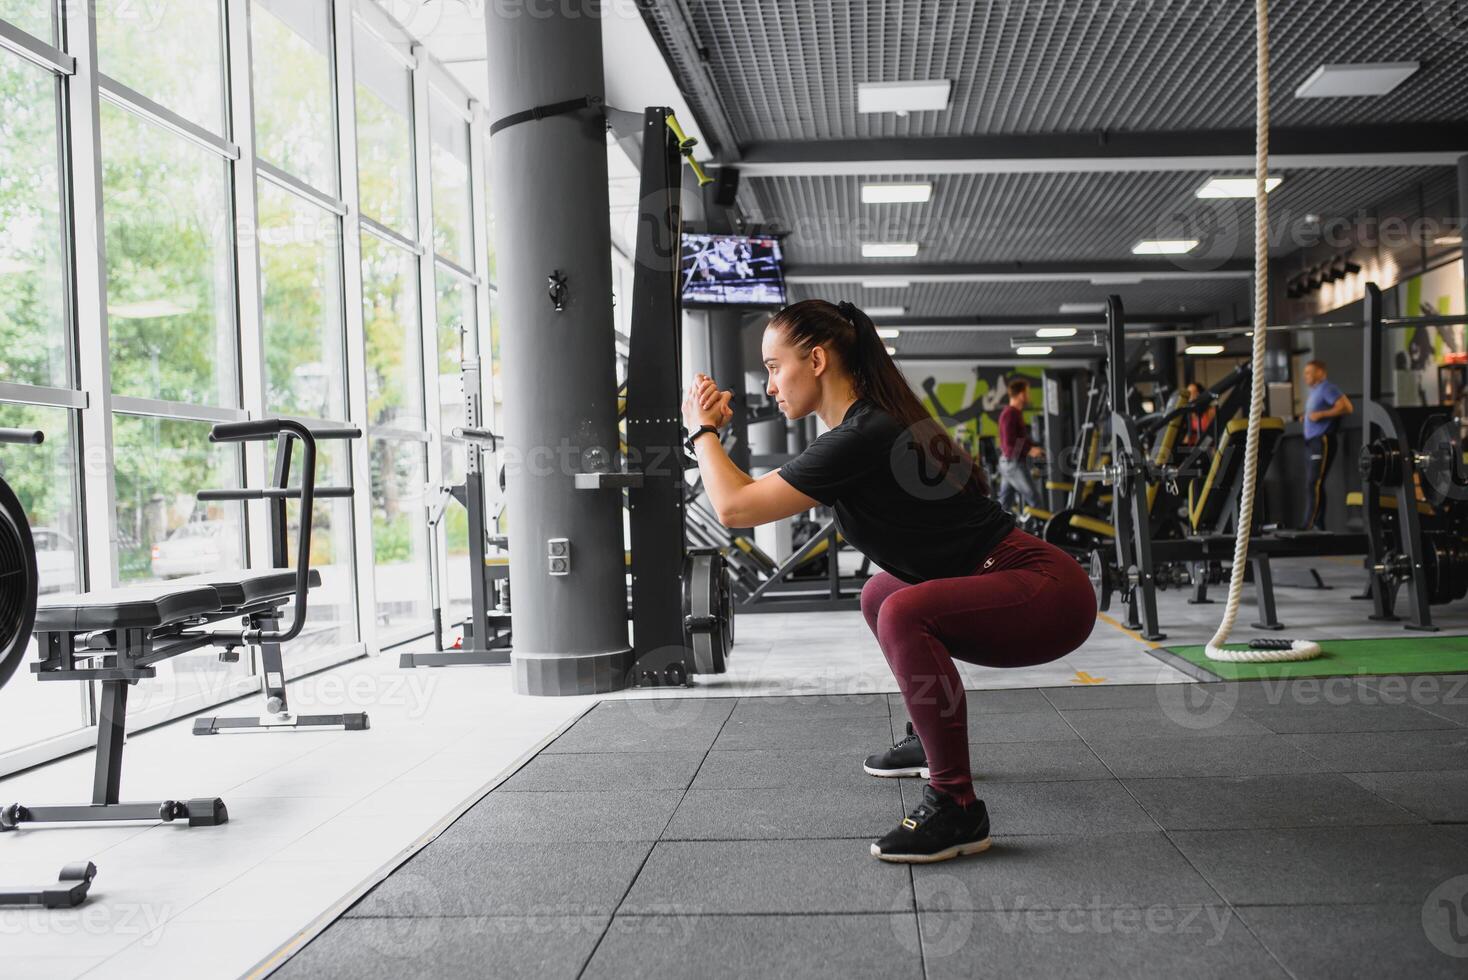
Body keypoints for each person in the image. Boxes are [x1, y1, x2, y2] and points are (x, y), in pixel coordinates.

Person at [681, 299, 1096, 864]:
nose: (771, 384)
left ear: (818, 359)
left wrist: (701, 431)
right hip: (1022, 579)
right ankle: (930, 740)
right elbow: (741, 500)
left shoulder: (863, 434)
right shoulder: (863, 425)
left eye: (775, 367)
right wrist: (708, 436)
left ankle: (956, 806)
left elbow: (733, 507)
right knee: (883, 592)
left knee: (904, 611)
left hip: (1048, 591)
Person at [1300, 358, 1353, 530]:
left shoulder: (1328, 388)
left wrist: (1321, 415)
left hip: (1322, 441)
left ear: (1320, 372)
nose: (1305, 376)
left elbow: (1346, 407)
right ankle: (1317, 525)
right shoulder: (1315, 392)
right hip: (1312, 442)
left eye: (1309, 372)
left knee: (1313, 483)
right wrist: (1306, 417)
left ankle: (1309, 525)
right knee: (1315, 484)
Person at [996, 378, 1044, 513]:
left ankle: (995, 531)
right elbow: (1008, 444)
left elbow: (1020, 440)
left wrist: (1034, 447)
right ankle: (1041, 532)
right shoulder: (1010, 413)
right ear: (1021, 394)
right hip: (1012, 463)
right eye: (1027, 392)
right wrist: (1029, 450)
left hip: (1011, 462)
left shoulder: (1015, 413)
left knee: (1004, 504)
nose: (1029, 396)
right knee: (1035, 499)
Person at [1182, 381, 1216, 447]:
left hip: (1209, 447)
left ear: (1199, 394)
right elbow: (1188, 436)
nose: (1189, 397)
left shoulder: (1211, 411)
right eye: (1188, 394)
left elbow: (1213, 434)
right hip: (1194, 448)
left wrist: (1199, 448)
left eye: (1191, 393)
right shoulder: (1189, 414)